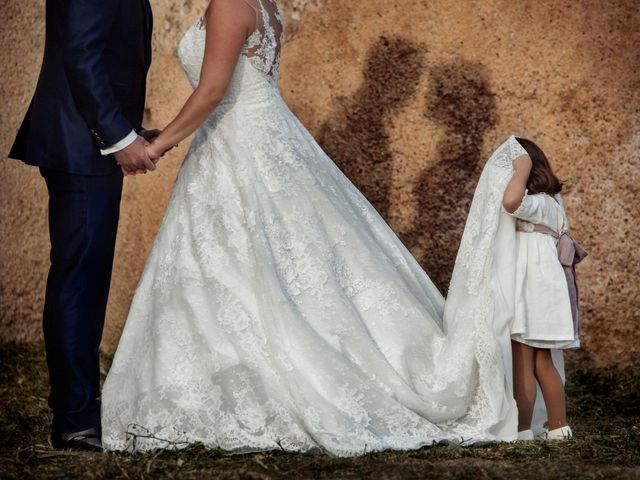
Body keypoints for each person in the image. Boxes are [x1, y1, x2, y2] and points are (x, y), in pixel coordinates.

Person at [101, 0, 519, 456]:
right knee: (267, 265)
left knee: (250, 264)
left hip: (240, 144)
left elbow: (213, 91)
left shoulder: (228, 3)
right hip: (260, 136)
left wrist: (157, 146)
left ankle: (258, 385)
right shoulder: (266, 5)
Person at [9, 0, 154, 451]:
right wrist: (117, 135)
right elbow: (81, 54)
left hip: (91, 143)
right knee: (79, 278)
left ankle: (84, 407)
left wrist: (127, 131)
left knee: (87, 277)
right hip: (81, 143)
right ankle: (75, 419)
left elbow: (113, 55)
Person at [501, 137, 586, 441]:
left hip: (533, 292)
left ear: (530, 168)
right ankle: (558, 427)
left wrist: (520, 169)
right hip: (544, 291)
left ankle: (525, 430)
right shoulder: (553, 203)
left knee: (524, 360)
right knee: (540, 361)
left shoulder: (538, 203)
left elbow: (511, 202)